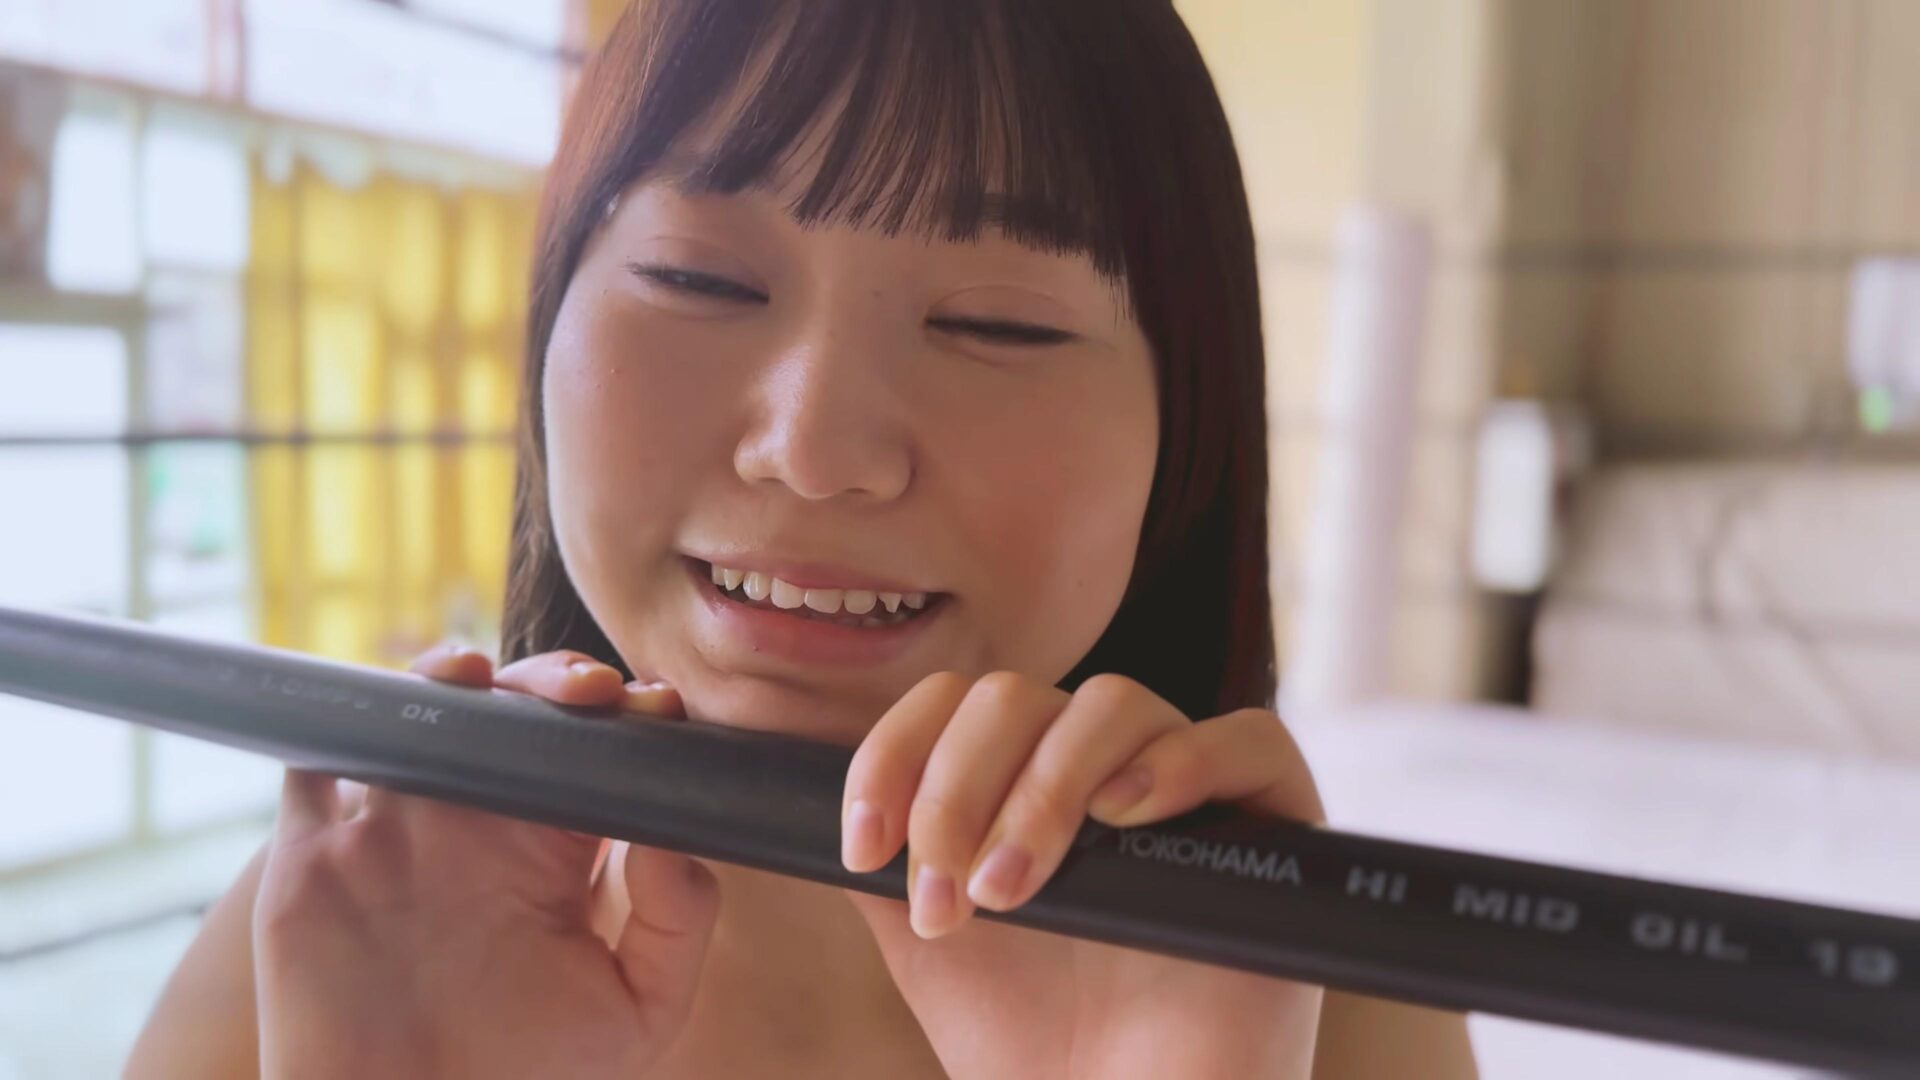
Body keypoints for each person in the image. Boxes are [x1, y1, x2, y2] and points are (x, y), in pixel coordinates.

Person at [127, 1, 1479, 1075]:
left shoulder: (1310, 995)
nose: (816, 449)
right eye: (699, 279)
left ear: (1186, 428)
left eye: (997, 324)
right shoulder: (348, 932)